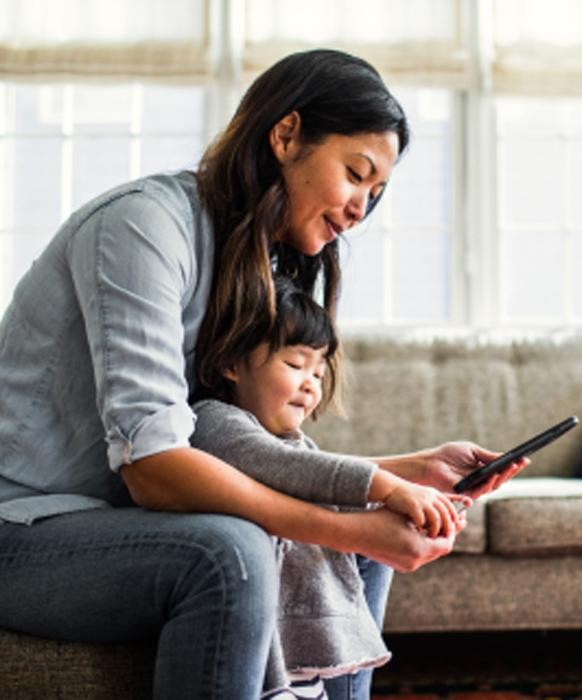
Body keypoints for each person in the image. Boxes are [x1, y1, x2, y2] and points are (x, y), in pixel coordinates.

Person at [0, 48, 524, 699]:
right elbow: (154, 465)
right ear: (286, 135)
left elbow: (241, 448)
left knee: (352, 519)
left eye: (376, 193)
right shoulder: (142, 228)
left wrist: (405, 472)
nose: (362, 207)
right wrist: (352, 522)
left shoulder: (257, 267)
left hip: (120, 520)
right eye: (356, 174)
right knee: (231, 554)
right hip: (24, 528)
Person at [191, 273, 469, 697]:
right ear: (231, 364)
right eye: (294, 364)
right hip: (273, 665)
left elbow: (308, 469)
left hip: (304, 664)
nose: (310, 384)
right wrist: (390, 487)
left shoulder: (293, 441)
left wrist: (423, 500)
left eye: (318, 373)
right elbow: (290, 468)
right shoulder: (214, 421)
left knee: (371, 524)